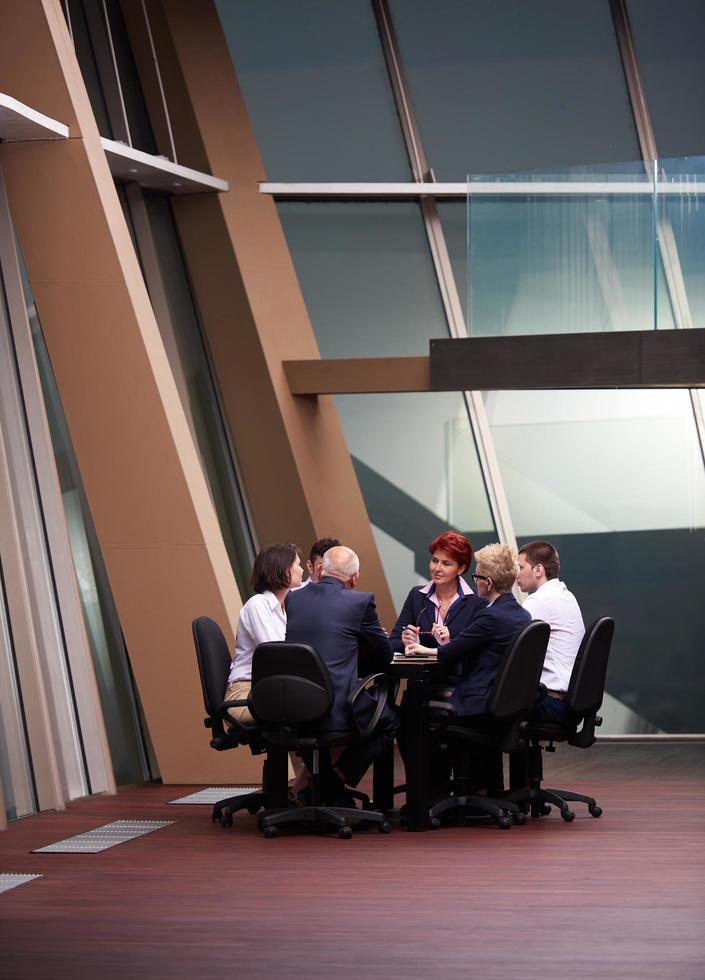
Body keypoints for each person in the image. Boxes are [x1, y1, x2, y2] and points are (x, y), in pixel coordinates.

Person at [406, 542, 530, 794]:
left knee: (413, 711)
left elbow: (448, 652)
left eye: (477, 577)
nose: (475, 582)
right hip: (505, 701)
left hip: (478, 702)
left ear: (489, 583)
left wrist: (422, 648)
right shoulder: (520, 614)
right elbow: (468, 645)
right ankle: (469, 787)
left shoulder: (490, 616)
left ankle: (428, 792)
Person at [285, 545, 397, 803]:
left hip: (293, 705)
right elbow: (385, 655)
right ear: (354, 578)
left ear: (321, 570)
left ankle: (317, 785)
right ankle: (334, 779)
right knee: (389, 720)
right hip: (335, 707)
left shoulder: (293, 598)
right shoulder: (360, 601)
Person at [223, 543, 303, 728]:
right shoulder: (258, 605)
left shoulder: (285, 609)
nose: (301, 569)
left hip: (271, 689)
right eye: (297, 565)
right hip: (246, 694)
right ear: (285, 571)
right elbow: (276, 652)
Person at [516, 540, 585, 724]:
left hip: (551, 703)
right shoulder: (567, 596)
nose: (516, 574)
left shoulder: (538, 601)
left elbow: (513, 648)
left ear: (538, 570)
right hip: (572, 703)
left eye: (520, 567)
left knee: (486, 700)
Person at [390, 531, 486, 653]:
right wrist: (404, 642)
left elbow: (480, 649)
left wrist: (449, 642)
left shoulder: (477, 600)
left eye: (446, 564)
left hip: (462, 672)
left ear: (461, 569)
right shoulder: (417, 595)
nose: (437, 569)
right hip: (425, 671)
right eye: (435, 561)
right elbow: (392, 642)